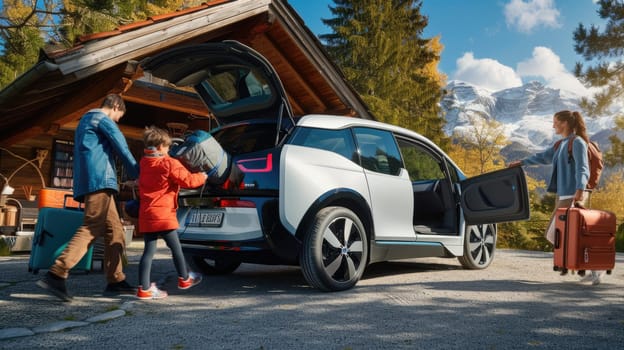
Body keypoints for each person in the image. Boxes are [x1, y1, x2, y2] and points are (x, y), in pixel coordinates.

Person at [37, 93, 140, 301]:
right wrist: (139, 174)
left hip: (91, 181)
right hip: (99, 180)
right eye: (119, 116)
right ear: (115, 106)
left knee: (115, 230)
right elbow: (122, 147)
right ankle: (57, 273)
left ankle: (116, 280)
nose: (118, 121)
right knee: (92, 226)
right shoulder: (103, 120)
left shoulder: (84, 121)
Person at [508, 110, 604, 285]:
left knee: (556, 234)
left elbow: (583, 168)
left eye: (556, 122)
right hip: (563, 195)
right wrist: (521, 163)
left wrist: (580, 190)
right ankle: (592, 269)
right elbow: (542, 157)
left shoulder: (577, 143)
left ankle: (593, 268)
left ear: (565, 123)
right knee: (562, 235)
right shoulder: (561, 144)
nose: (553, 126)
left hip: (573, 195)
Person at [136, 126, 208, 299]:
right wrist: (203, 176)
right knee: (176, 249)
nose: (169, 150)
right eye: (168, 147)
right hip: (164, 216)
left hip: (147, 215)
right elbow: (188, 180)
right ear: (161, 147)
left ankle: (144, 289)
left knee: (148, 252)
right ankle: (184, 279)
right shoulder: (168, 163)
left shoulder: (144, 163)